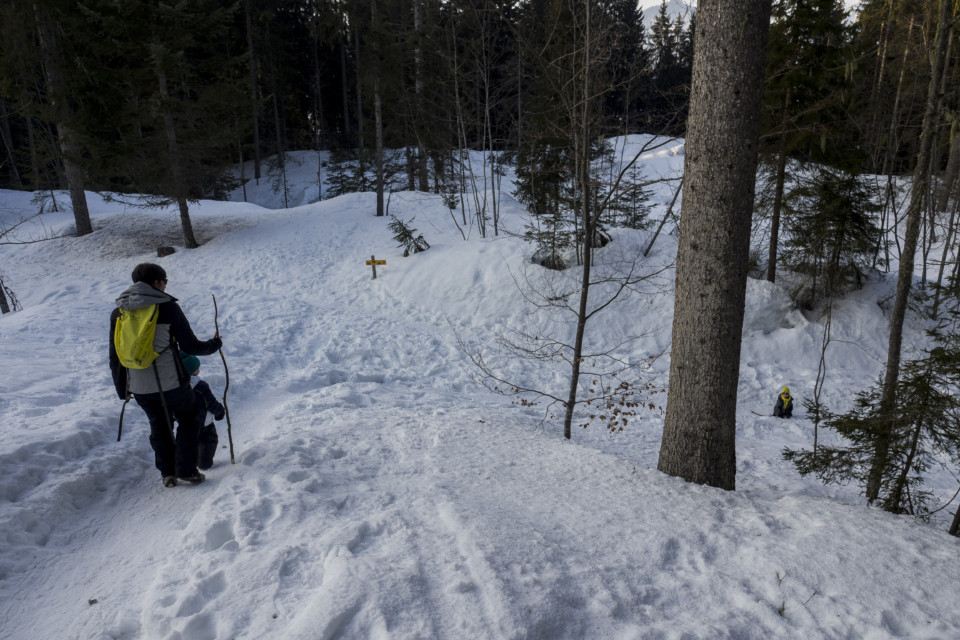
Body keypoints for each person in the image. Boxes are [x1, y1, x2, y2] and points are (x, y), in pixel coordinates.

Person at [109, 263, 223, 488]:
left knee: (159, 425)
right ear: (156, 283)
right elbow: (191, 346)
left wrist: (123, 389)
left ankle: (168, 474)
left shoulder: (119, 311)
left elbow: (115, 355)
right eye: (165, 281)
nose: (165, 286)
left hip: (139, 386)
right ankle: (187, 471)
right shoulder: (167, 307)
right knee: (189, 419)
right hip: (171, 383)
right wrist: (215, 344)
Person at [179, 351, 225, 470]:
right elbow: (211, 402)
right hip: (204, 423)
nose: (198, 370)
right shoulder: (201, 386)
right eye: (196, 368)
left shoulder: (176, 387)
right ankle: (204, 463)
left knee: (189, 443)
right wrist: (219, 411)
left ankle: (184, 465)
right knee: (208, 441)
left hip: (185, 422)